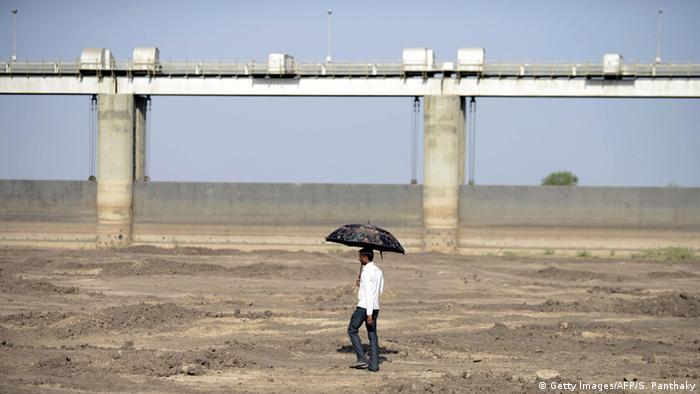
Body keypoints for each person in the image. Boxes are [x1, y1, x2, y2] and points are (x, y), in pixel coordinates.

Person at [347, 247, 384, 372]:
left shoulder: (366, 272)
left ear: (365, 257)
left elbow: (368, 293)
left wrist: (368, 314)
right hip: (375, 307)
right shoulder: (378, 271)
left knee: (352, 329)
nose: (359, 259)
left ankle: (362, 359)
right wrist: (362, 284)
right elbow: (380, 290)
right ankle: (374, 366)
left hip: (364, 307)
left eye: (360, 256)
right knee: (372, 335)